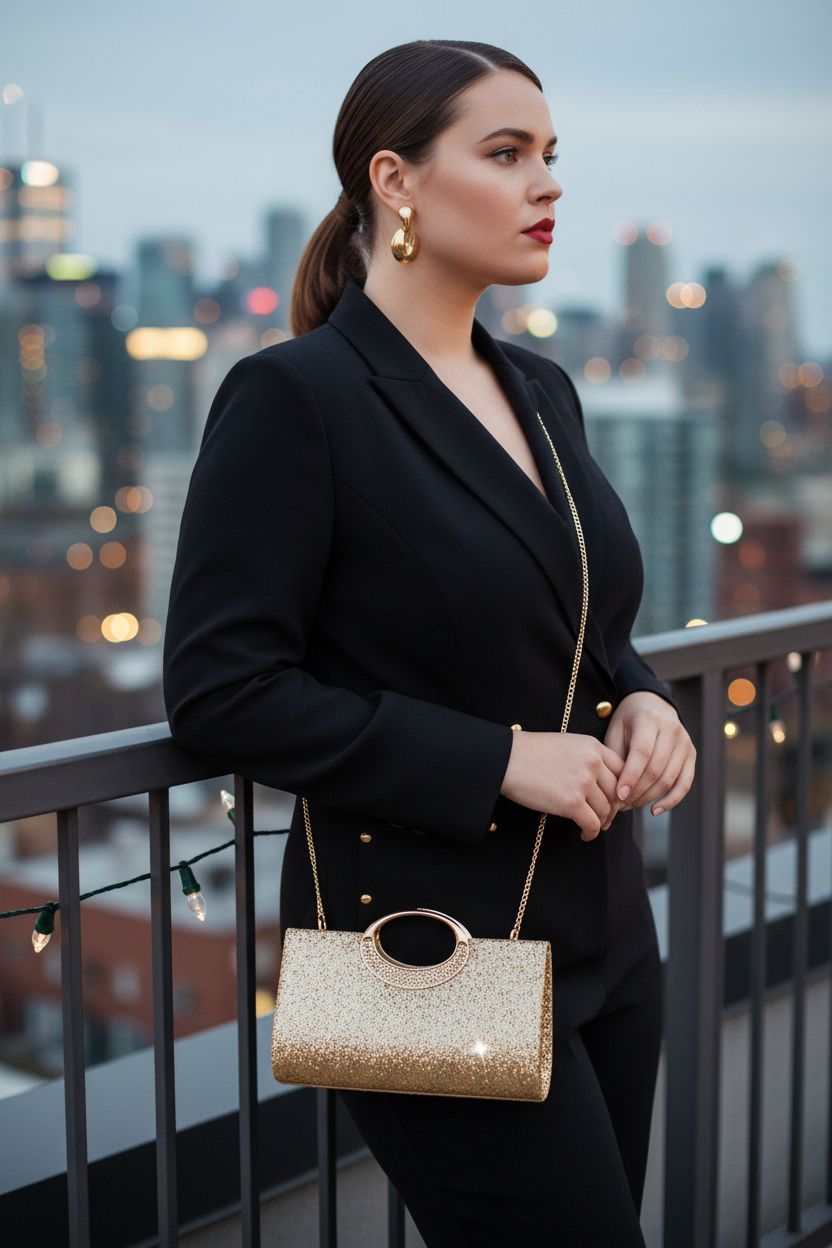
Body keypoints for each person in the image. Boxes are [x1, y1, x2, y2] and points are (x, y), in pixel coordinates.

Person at [163, 38, 696, 1247]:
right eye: (504, 154)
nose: (546, 184)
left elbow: (586, 625)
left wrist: (647, 696)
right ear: (394, 181)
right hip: (418, 952)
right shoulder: (296, 396)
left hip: (608, 931)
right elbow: (221, 692)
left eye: (550, 155)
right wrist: (498, 759)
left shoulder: (541, 388)